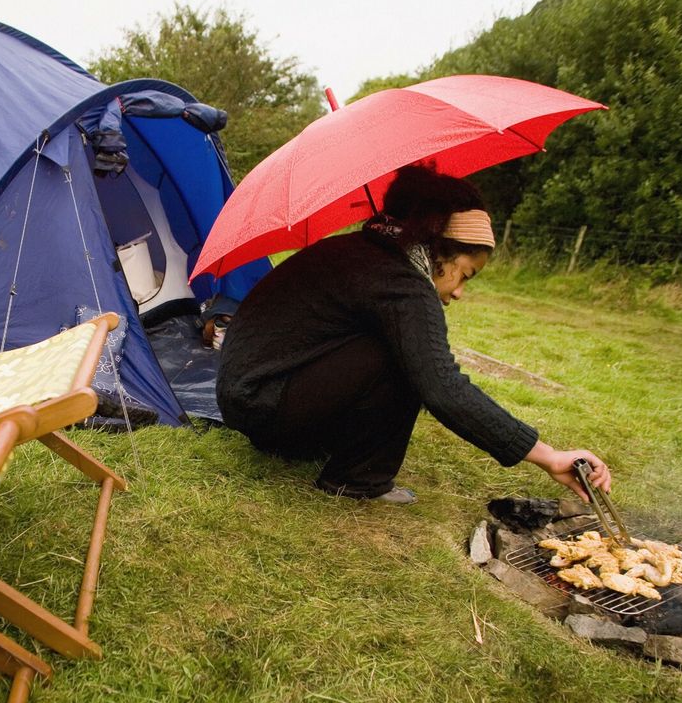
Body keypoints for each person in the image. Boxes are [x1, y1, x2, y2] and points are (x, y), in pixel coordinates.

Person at [216, 165, 611, 504]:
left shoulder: (362, 250)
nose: (458, 292)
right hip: (264, 403)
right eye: (465, 275)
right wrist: (547, 455)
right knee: (410, 357)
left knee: (405, 349)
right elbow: (442, 385)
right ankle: (356, 479)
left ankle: (320, 448)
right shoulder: (399, 281)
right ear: (438, 249)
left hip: (251, 396)